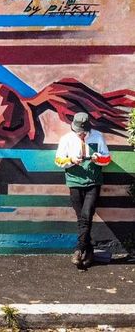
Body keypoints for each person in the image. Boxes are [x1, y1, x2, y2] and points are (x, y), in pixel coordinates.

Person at [55, 112, 111, 267]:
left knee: (86, 215)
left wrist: (98, 158)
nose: (81, 133)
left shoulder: (98, 137)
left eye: (83, 131)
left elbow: (107, 158)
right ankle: (90, 251)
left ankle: (79, 249)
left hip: (93, 182)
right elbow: (58, 160)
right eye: (78, 131)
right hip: (74, 182)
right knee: (82, 219)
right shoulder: (66, 139)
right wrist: (71, 160)